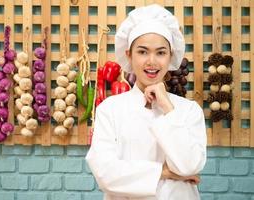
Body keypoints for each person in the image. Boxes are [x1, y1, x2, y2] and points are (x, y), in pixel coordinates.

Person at [85, 4, 207, 200]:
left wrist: (167, 107)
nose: (152, 61)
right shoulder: (110, 109)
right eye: (142, 52)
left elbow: (190, 165)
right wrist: (165, 172)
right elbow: (105, 174)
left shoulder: (189, 110)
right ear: (129, 55)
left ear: (171, 56)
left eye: (160, 52)